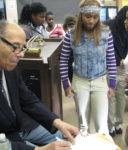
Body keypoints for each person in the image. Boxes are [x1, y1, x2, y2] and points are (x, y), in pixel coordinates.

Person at [0, 20, 79, 150]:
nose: (21, 54)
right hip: (6, 139)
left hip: (21, 126)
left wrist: (57, 122)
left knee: (63, 136)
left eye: (23, 47)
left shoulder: (10, 68)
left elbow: (28, 99)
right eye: (15, 47)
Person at [60, 0, 116, 136]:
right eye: (88, 16)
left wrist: (112, 84)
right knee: (83, 125)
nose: (91, 21)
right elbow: (63, 60)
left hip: (100, 81)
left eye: (95, 17)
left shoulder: (106, 33)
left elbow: (111, 59)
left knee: (101, 125)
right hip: (80, 81)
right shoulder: (71, 35)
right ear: (81, 15)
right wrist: (66, 84)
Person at [104, 6, 128, 136]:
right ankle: (115, 125)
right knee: (116, 97)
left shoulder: (109, 25)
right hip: (114, 67)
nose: (127, 22)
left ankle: (114, 125)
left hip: (114, 67)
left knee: (115, 97)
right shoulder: (109, 25)